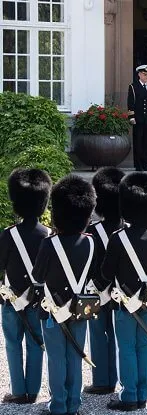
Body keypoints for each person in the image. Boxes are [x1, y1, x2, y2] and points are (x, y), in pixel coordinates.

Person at [102, 172, 147, 411]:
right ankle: (143, 393)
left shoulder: (118, 238)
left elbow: (107, 272)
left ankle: (129, 395)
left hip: (125, 302)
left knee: (127, 347)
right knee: (146, 346)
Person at [34, 175, 98, 415]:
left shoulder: (49, 244)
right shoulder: (90, 243)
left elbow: (37, 277)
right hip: (79, 308)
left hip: (53, 309)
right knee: (75, 356)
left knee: (56, 359)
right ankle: (74, 404)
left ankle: (58, 405)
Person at [0, 169, 51, 405]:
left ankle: (18, 391)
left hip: (12, 298)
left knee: (12, 343)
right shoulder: (49, 235)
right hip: (38, 298)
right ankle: (33, 391)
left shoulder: (9, 234)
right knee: (36, 344)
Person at [85, 167, 125, 395]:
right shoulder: (127, 229)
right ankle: (120, 376)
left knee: (99, 336)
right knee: (121, 337)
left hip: (98, 289)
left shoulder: (92, 230)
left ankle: (102, 381)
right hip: (122, 289)